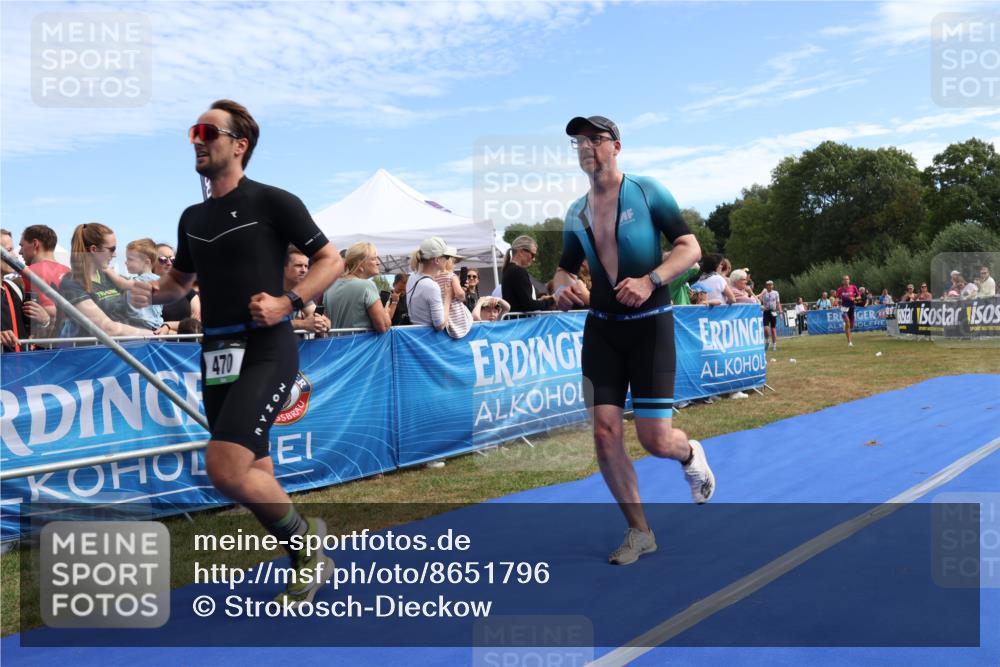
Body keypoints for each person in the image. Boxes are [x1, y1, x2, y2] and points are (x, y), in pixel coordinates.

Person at [132, 99, 344, 607]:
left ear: (239, 144)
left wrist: (288, 301)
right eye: (194, 132)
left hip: (267, 348)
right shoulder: (192, 216)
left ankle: (307, 545)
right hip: (216, 352)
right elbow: (180, 282)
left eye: (209, 131)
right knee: (255, 471)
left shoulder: (272, 201)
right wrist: (148, 293)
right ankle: (302, 556)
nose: (199, 140)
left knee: (225, 469)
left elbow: (331, 260)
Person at [550, 114, 714, 566]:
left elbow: (690, 246)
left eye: (595, 139)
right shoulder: (576, 212)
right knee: (605, 434)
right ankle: (640, 532)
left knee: (654, 439)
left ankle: (688, 452)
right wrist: (562, 286)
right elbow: (563, 267)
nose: (586, 147)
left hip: (651, 325)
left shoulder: (647, 191)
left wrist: (650, 279)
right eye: (579, 142)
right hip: (601, 329)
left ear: (616, 146)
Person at [56, 223, 168, 338]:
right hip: (93, 353)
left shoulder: (110, 277)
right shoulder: (71, 283)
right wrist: (153, 334)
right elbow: (108, 329)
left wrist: (165, 327)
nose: (114, 255)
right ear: (94, 250)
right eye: (111, 249)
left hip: (122, 350)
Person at [323, 242, 389, 332]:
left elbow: (326, 321)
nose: (378, 263)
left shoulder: (330, 286)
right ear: (360, 264)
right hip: (362, 344)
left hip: (336, 344)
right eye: (373, 259)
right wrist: (386, 313)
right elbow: (383, 326)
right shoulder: (367, 285)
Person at [18, 225, 70, 335]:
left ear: (35, 244)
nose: (20, 252)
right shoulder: (69, 272)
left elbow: (50, 312)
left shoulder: (30, 273)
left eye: (22, 245)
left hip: (44, 344)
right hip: (70, 341)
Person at [105, 238, 165, 331]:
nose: (126, 262)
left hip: (144, 325)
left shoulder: (149, 280)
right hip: (150, 325)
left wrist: (107, 270)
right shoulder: (153, 279)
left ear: (146, 262)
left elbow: (123, 283)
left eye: (130, 259)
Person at [406, 237, 455, 330]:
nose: (448, 260)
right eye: (447, 257)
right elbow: (440, 325)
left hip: (416, 334)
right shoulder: (431, 286)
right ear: (437, 260)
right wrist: (448, 298)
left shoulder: (412, 277)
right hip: (430, 339)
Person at [285, 245, 331, 334]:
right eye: (298, 265)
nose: (304, 270)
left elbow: (320, 318)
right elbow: (263, 325)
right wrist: (302, 324)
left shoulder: (299, 292)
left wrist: (323, 323)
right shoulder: (269, 289)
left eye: (306, 266)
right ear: (284, 267)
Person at [502, 235, 554, 313]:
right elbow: (528, 305)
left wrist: (540, 301)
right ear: (521, 252)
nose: (534, 259)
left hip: (514, 321)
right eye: (532, 255)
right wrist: (550, 301)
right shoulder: (518, 271)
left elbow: (520, 302)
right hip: (520, 322)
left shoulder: (508, 270)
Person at [155, 243, 201, 330]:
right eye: (163, 259)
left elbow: (196, 323)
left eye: (172, 259)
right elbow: (149, 324)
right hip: (158, 343)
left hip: (188, 342)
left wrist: (167, 326)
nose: (169, 263)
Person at [835, 274, 861, 347]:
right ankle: (849, 342)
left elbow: (859, 297)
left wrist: (854, 299)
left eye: (847, 279)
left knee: (851, 326)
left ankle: (846, 327)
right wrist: (835, 301)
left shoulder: (853, 287)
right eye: (844, 279)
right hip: (844, 308)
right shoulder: (840, 289)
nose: (846, 280)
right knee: (848, 322)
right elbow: (837, 297)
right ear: (842, 281)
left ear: (849, 280)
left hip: (852, 308)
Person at [758, 280, 781, 350]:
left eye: (771, 285)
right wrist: (761, 306)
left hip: (773, 311)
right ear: (766, 286)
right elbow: (759, 300)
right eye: (768, 285)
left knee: (773, 329)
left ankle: (774, 344)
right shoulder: (764, 293)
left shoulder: (776, 293)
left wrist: (780, 311)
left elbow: (778, 303)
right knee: (766, 329)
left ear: (773, 286)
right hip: (766, 311)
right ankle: (767, 341)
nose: (770, 286)